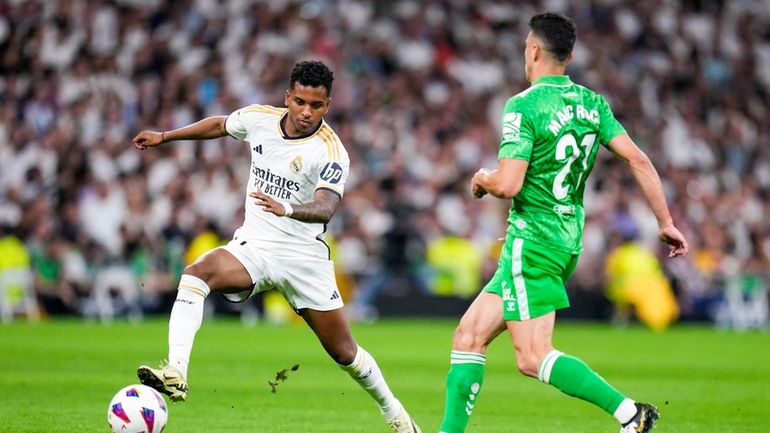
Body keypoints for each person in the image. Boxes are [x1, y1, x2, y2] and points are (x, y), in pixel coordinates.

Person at [132, 60, 421, 433]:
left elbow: (326, 206)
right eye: (300, 101)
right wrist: (165, 136)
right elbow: (221, 124)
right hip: (255, 246)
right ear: (288, 97)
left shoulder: (331, 151)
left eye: (316, 105)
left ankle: (396, 415)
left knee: (344, 353)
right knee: (196, 274)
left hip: (304, 259)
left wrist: (286, 207)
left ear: (327, 105)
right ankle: (176, 371)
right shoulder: (259, 119)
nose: (306, 111)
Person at [438, 13, 688, 433]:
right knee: (468, 337)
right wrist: (665, 221)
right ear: (569, 56)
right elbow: (638, 159)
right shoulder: (593, 104)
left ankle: (631, 414)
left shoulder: (523, 105)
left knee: (532, 357)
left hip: (531, 242)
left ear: (533, 50)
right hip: (566, 239)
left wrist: (482, 181)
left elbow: (510, 183)